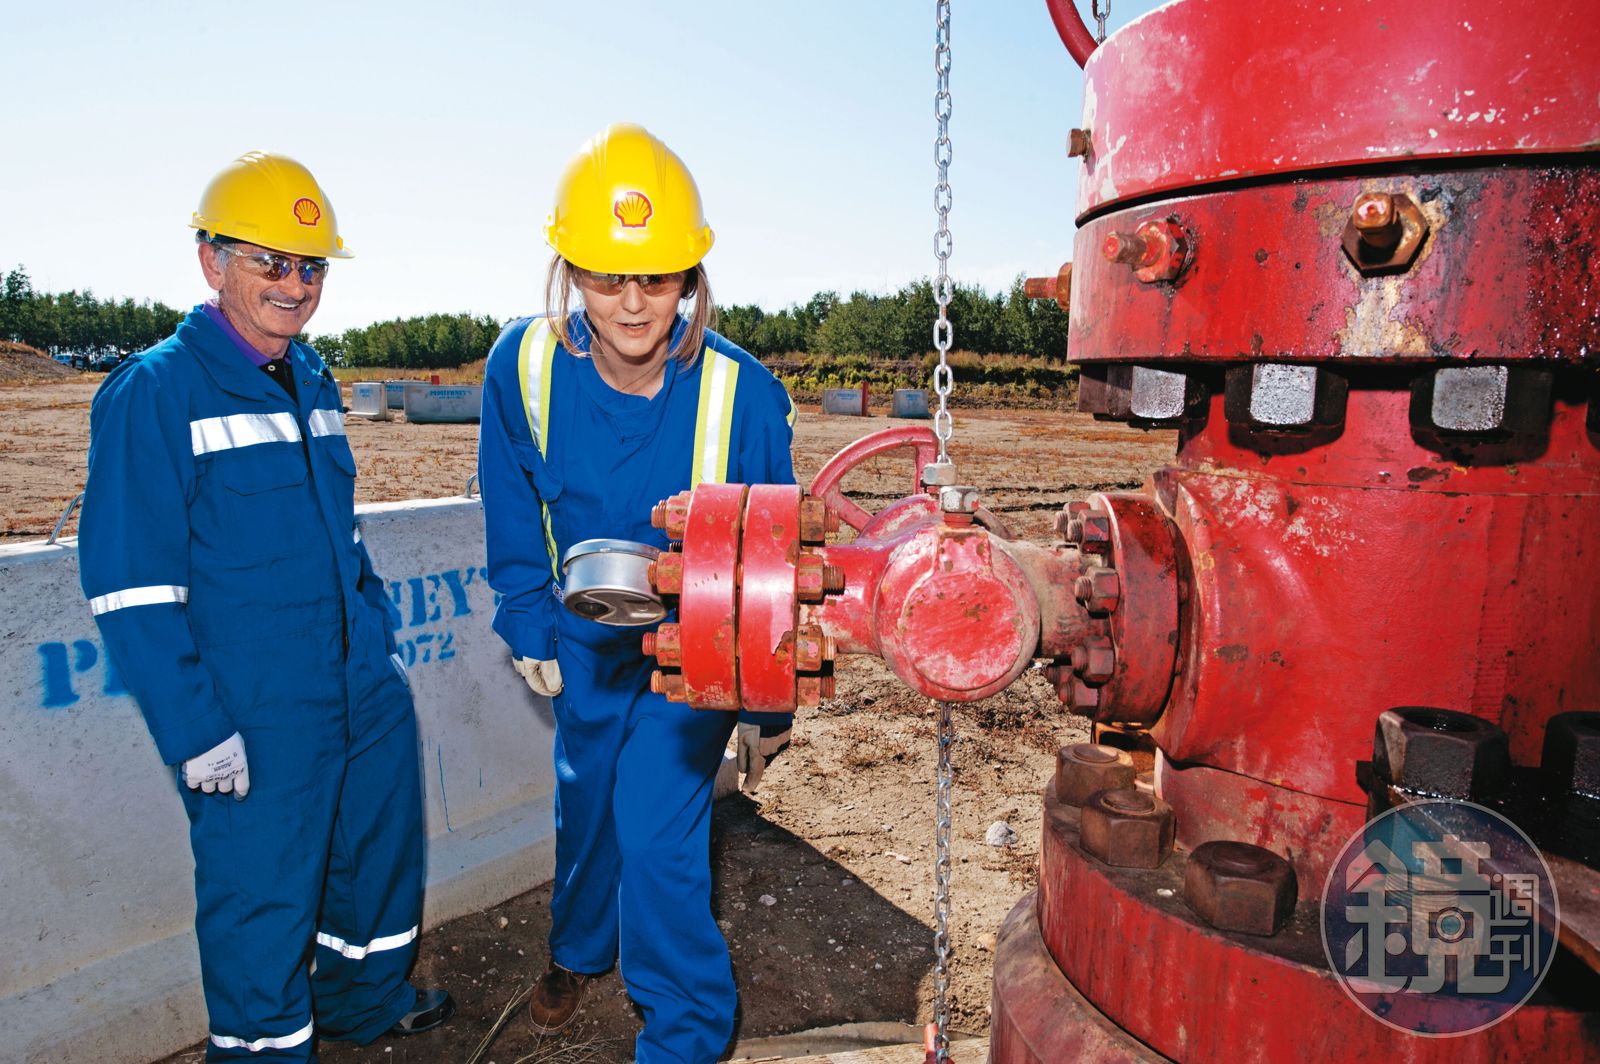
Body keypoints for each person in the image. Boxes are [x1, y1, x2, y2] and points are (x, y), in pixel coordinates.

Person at [77, 152, 451, 1062]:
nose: (296, 284)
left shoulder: (311, 378)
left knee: (374, 864)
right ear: (211, 260)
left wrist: (378, 649)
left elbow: (340, 539)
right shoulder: (156, 391)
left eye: (311, 265)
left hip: (357, 686)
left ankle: (364, 1003)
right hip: (254, 710)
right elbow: (131, 588)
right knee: (262, 899)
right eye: (270, 261)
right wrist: (196, 729)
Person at [479, 123, 797, 1063]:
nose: (630, 302)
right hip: (584, 638)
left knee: (657, 828)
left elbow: (772, 564)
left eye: (656, 279)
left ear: (689, 278)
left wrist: (767, 703)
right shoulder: (522, 366)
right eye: (607, 275)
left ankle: (685, 1033)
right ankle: (578, 950)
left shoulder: (743, 394)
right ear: (570, 268)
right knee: (586, 801)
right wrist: (525, 618)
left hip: (693, 647)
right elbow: (509, 499)